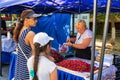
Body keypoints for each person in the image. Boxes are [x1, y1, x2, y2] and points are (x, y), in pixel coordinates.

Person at [13, 9, 40, 80]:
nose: (36, 21)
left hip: (20, 69)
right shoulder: (30, 34)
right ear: (26, 19)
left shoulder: (20, 31)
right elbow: (35, 55)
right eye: (34, 19)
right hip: (27, 70)